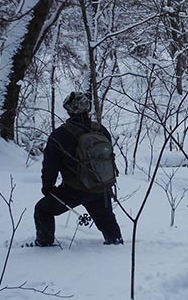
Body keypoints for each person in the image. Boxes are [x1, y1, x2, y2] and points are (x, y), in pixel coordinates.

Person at [30, 92, 123, 246]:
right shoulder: (101, 130)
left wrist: (47, 188)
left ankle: (44, 244)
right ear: (88, 109)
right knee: (108, 223)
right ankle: (116, 246)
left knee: (42, 210)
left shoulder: (59, 135)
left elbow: (50, 166)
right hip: (101, 187)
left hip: (74, 190)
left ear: (69, 110)